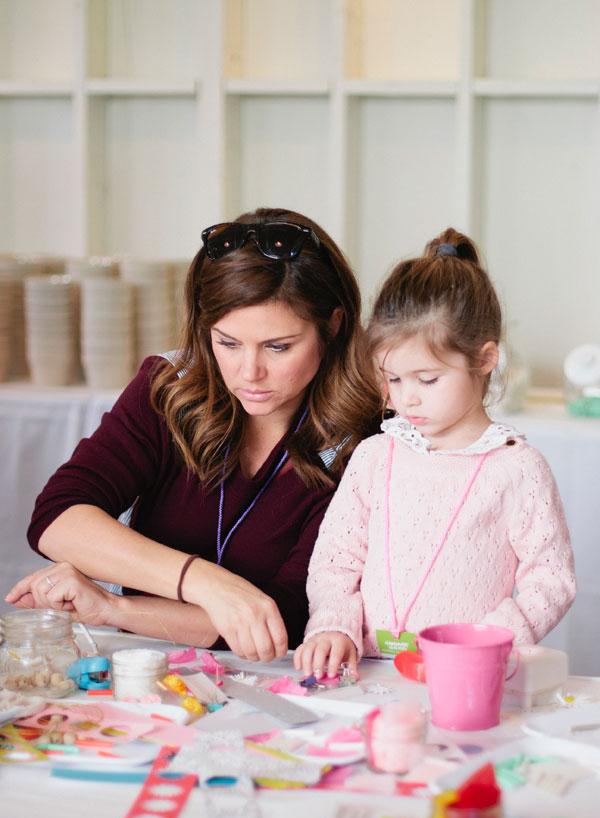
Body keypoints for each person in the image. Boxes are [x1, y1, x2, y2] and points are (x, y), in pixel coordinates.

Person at [5, 208, 380, 661]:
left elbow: (284, 618)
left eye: (278, 347)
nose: (250, 373)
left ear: (333, 325)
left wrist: (116, 607)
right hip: (147, 663)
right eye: (228, 343)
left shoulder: (367, 442)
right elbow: (57, 515)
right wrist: (205, 583)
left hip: (276, 673)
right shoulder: (170, 388)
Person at [294, 228, 576, 678]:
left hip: (466, 675)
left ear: (485, 360)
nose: (407, 399)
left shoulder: (517, 468)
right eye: (394, 379)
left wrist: (491, 641)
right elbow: (336, 558)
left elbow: (551, 578)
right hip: (366, 673)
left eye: (427, 380)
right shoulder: (374, 457)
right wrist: (333, 626)